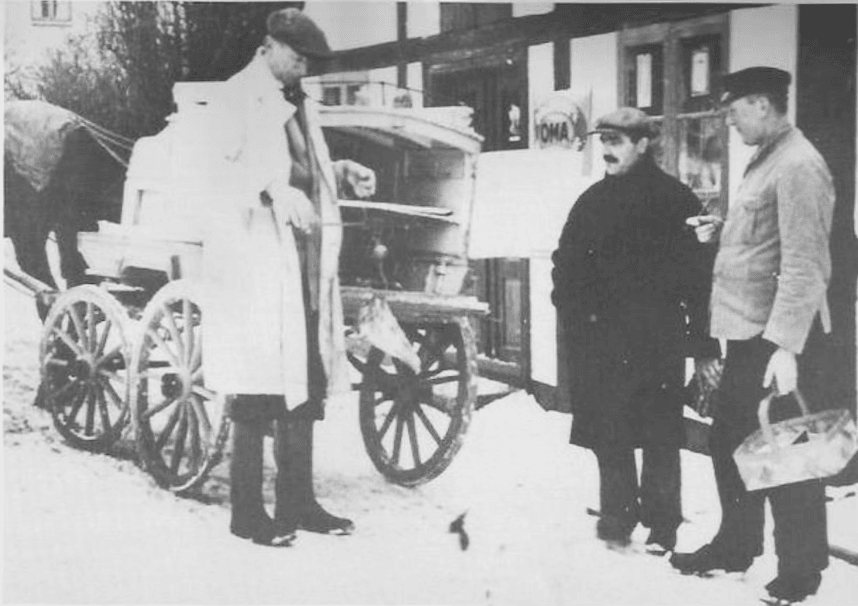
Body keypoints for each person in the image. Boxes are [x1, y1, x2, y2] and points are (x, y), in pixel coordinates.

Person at [198, 8, 377, 547]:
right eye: (296, 58)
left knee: (306, 381)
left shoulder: (297, 100)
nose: (301, 69)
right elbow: (218, 168)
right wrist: (273, 188)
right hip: (255, 263)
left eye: (307, 63)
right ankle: (247, 512)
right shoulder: (234, 97)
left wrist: (339, 171)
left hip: (302, 256)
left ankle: (298, 502)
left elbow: (302, 163)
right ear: (268, 46)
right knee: (257, 389)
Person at [670, 67, 836, 604]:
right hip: (750, 333)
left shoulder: (798, 165)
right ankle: (737, 544)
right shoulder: (768, 158)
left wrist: (787, 347)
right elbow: (768, 241)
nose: (729, 120)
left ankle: (800, 572)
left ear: (761, 104)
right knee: (730, 443)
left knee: (786, 454)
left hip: (776, 339)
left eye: (734, 110)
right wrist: (723, 234)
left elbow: (806, 265)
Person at [551, 107, 719, 552]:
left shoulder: (676, 200)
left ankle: (663, 525)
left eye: (616, 141)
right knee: (610, 428)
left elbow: (699, 277)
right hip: (601, 339)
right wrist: (574, 316)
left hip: (655, 339)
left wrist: (703, 345)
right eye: (602, 140)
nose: (606, 149)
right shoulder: (591, 203)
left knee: (661, 432)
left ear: (643, 144)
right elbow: (564, 266)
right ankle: (618, 513)